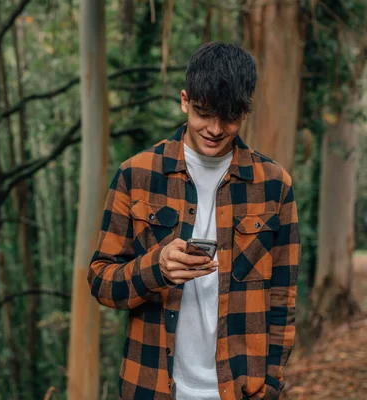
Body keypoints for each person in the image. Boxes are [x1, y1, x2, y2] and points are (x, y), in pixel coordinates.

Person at [88, 42, 300, 400]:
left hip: (240, 389)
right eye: (204, 113)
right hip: (151, 386)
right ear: (185, 100)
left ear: (246, 110)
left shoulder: (274, 185)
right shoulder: (136, 175)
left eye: (229, 116)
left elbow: (283, 297)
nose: (215, 129)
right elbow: (101, 280)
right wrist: (156, 268)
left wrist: (273, 384)